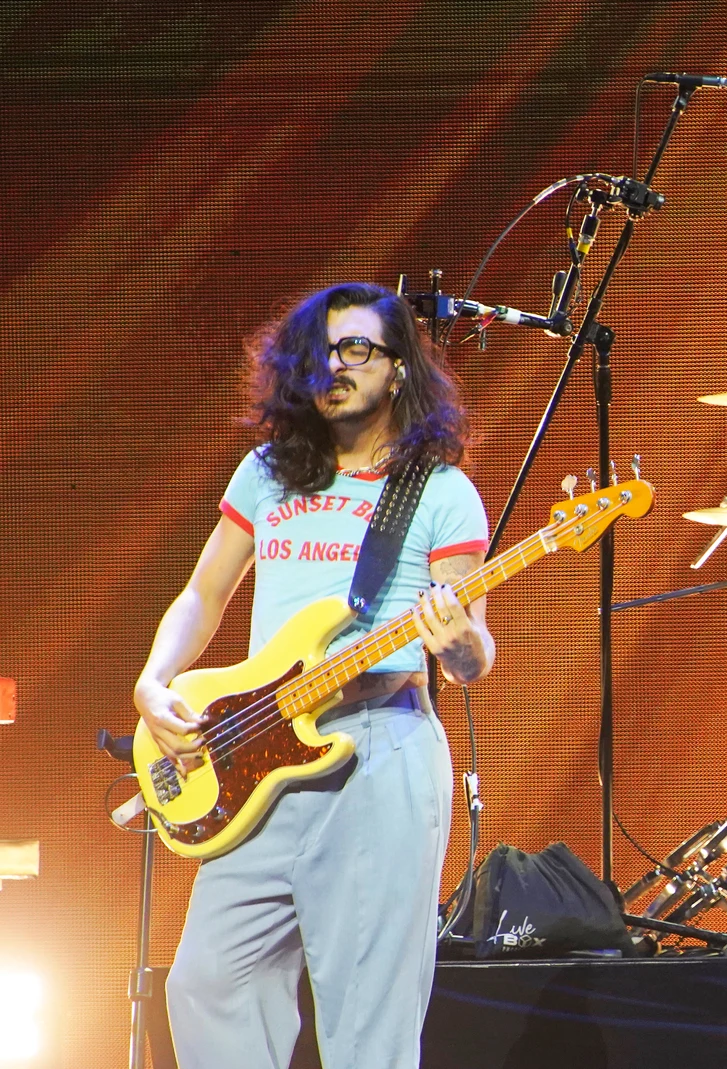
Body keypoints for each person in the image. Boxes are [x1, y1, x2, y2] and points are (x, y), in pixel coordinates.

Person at [133, 282, 493, 1068]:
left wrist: (457, 641)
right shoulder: (267, 474)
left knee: (368, 1025)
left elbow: (473, 655)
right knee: (206, 984)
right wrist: (153, 680)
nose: (335, 366)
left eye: (356, 349)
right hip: (255, 750)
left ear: (398, 368)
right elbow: (203, 594)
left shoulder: (439, 491)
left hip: (379, 746)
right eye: (321, 352)